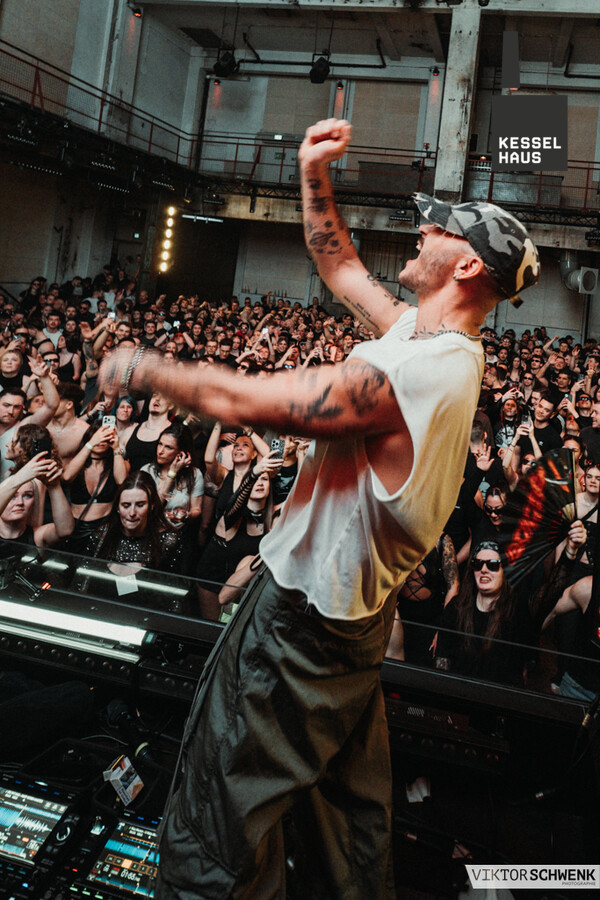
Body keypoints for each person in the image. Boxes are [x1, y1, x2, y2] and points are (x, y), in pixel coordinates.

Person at [99, 117, 540, 900]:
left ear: (468, 264)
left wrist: (146, 368)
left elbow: (252, 402)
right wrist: (312, 170)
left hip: (301, 627)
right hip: (344, 622)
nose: (422, 228)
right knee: (346, 828)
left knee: (218, 829)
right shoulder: (423, 338)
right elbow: (339, 266)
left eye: (439, 227)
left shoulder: (421, 372)